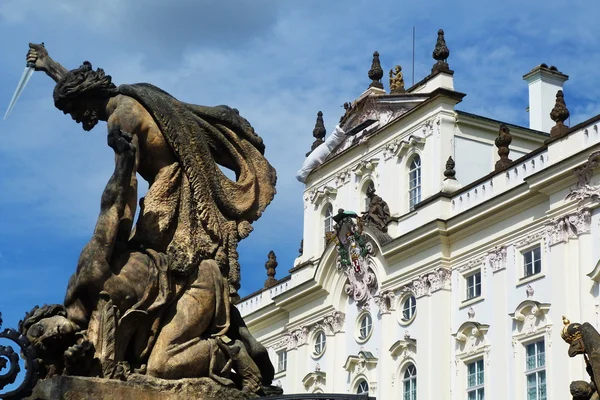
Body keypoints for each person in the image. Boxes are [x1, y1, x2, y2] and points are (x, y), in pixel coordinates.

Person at [23, 43, 276, 390]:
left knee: (154, 266)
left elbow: (121, 193)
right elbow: (82, 88)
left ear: (84, 102)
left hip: (172, 194)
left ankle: (218, 346)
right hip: (173, 185)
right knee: (169, 273)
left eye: (74, 112)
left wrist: (110, 245)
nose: (78, 120)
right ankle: (229, 334)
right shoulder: (130, 97)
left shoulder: (120, 120)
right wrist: (50, 66)